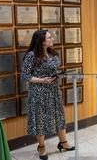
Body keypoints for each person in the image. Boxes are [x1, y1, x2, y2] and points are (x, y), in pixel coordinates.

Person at [22, 30, 75, 160]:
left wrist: (59, 74)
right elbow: (25, 76)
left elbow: (53, 69)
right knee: (40, 119)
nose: (52, 39)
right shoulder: (31, 55)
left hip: (54, 91)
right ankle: (41, 147)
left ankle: (63, 142)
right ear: (42, 41)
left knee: (59, 116)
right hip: (39, 93)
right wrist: (42, 80)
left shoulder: (52, 53)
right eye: (49, 37)